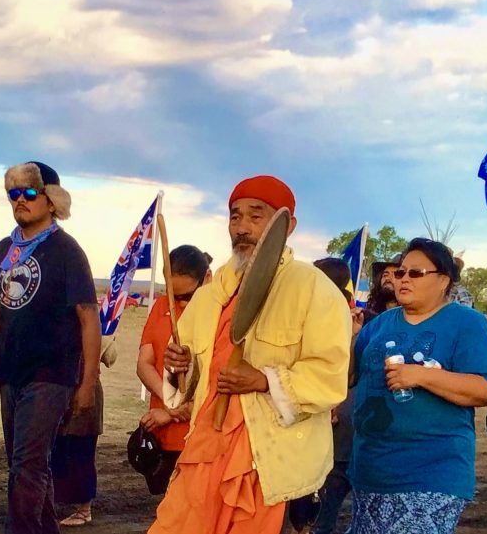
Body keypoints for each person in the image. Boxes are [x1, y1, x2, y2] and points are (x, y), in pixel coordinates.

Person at [149, 175, 351, 534]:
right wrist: (179, 366)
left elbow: (329, 376)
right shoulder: (212, 293)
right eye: (235, 216)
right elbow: (192, 371)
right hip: (205, 443)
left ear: (287, 226)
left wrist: (262, 380)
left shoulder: (314, 289)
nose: (242, 228)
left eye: (256, 217)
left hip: (265, 456)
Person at [350, 237, 487, 534]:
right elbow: (351, 378)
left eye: (415, 273)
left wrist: (421, 376)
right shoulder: (379, 325)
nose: (403, 279)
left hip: (430, 474)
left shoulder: (466, 323)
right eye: (400, 272)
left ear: (443, 280)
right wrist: (347, 337)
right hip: (371, 470)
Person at [0, 161, 100, 534]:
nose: (20, 200)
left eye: (30, 193)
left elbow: (88, 318)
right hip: (12, 373)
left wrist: (86, 384)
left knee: (27, 466)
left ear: (51, 201)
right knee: (29, 465)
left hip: (51, 375)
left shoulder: (66, 251)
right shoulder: (3, 249)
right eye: (13, 194)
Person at [288, 257, 362, 534]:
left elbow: (344, 377)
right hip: (304, 427)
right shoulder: (306, 309)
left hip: (324, 430)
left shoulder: (336, 315)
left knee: (313, 507)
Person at [136, 245, 213, 494]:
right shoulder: (161, 306)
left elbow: (214, 386)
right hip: (162, 433)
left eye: (187, 296)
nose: (179, 303)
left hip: (199, 437)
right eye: (172, 294)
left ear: (207, 279)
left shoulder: (218, 316)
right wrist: (169, 403)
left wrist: (174, 412)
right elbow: (144, 362)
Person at [51, 377, 104, 527]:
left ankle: (84, 510)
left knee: (82, 453)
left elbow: (110, 357)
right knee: (58, 451)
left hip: (84, 393)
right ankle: (57, 501)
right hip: (62, 392)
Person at [364, 254, 401, 320]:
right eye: (385, 275)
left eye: (395, 275)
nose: (387, 278)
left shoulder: (409, 315)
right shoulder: (370, 314)